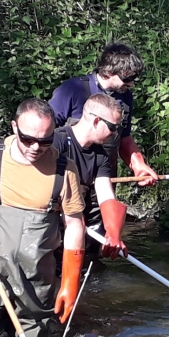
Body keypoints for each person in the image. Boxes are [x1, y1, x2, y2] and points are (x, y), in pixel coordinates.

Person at [0, 98, 87, 337]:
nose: (36, 147)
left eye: (45, 141)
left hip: (36, 277)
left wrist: (70, 282)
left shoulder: (65, 170)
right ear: (14, 127)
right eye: (28, 139)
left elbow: (74, 224)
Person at [48, 43, 160, 186]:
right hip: (66, 180)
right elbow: (45, 132)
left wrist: (139, 166)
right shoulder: (72, 90)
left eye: (134, 79)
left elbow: (124, 138)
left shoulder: (125, 97)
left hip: (104, 179)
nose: (131, 84)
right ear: (107, 72)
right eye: (127, 79)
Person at [54, 91, 132, 261]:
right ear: (96, 121)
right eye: (113, 127)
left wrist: (113, 233)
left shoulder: (101, 156)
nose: (115, 133)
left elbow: (105, 193)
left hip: (75, 221)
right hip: (49, 221)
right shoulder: (56, 141)